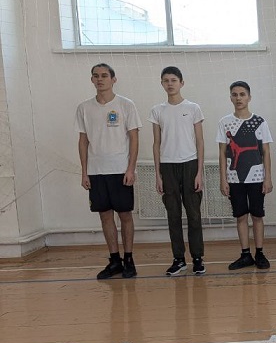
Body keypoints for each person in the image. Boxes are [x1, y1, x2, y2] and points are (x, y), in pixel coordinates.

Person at [76, 63, 141, 280]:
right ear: (91, 80)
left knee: (125, 215)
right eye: (96, 76)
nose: (100, 79)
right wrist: (84, 172)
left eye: (104, 75)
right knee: (105, 216)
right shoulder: (84, 108)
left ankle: (129, 259)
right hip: (96, 171)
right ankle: (115, 261)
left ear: (113, 79)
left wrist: (130, 168)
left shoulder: (126, 105)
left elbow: (134, 138)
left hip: (120, 170)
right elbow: (83, 141)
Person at [150, 66, 206, 276]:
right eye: (166, 80)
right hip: (167, 167)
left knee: (194, 215)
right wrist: (158, 175)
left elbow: (200, 141)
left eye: (173, 80)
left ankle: (197, 258)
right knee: (173, 215)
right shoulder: (157, 110)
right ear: (162, 84)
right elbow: (156, 143)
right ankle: (179, 259)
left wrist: (199, 172)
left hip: (190, 165)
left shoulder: (193, 108)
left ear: (181, 83)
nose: (170, 84)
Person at [215, 81, 273, 270]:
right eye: (235, 94)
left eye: (242, 94)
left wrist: (268, 177)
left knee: (257, 215)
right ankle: (245, 254)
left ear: (249, 97)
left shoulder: (260, 122)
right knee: (240, 216)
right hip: (234, 179)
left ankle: (260, 253)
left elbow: (266, 151)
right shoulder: (224, 122)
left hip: (256, 178)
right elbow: (222, 153)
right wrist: (223, 179)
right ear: (230, 98)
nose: (238, 98)